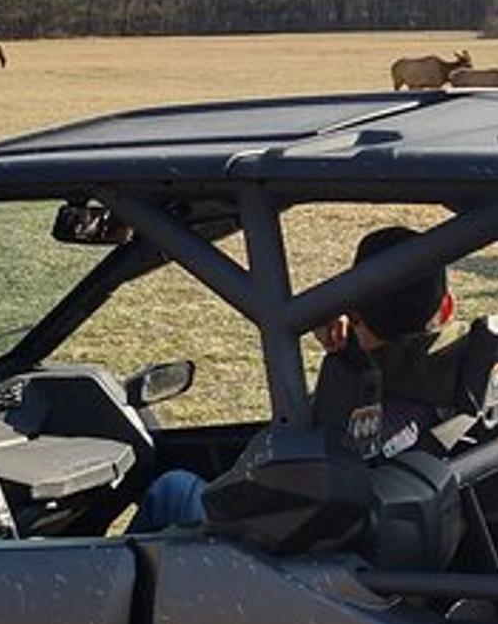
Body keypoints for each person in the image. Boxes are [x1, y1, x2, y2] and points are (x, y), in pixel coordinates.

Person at [130, 225, 477, 531]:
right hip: (376, 558)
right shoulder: (462, 387)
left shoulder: (341, 411)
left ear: (352, 312)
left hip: (287, 569)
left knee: (172, 491)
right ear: (447, 307)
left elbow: (247, 484)